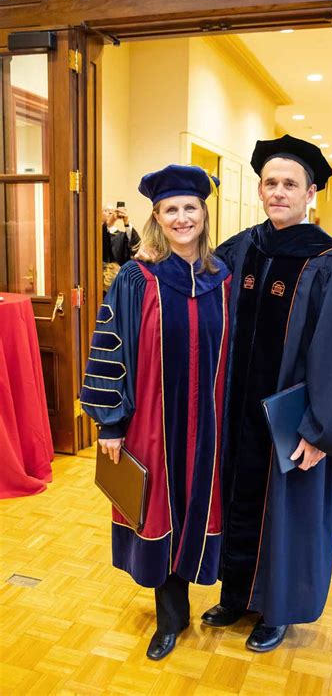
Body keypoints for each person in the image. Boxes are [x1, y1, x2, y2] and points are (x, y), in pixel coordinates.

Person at [201, 134, 332, 652]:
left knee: (289, 514)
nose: (278, 192)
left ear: (311, 194)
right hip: (238, 413)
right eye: (270, 183)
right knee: (237, 496)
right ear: (260, 190)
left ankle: (277, 611)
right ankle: (236, 594)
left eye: (290, 184)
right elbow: (197, 298)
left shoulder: (330, 264)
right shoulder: (243, 248)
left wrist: (322, 431)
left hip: (296, 421)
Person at [81, 165, 231, 660]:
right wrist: (110, 421)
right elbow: (110, 347)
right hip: (152, 422)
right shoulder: (135, 277)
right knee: (158, 508)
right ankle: (169, 619)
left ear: (204, 215)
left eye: (191, 208)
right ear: (158, 218)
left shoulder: (221, 278)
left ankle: (194, 600)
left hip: (208, 427)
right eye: (172, 210)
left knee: (197, 508)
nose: (183, 217)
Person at [102, 203, 141, 292]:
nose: (110, 213)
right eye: (106, 211)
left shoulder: (122, 236)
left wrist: (126, 222)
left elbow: (135, 247)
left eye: (112, 211)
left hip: (120, 282)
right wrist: (107, 224)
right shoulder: (93, 236)